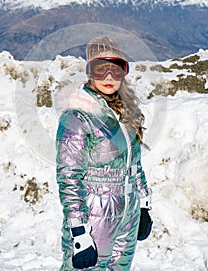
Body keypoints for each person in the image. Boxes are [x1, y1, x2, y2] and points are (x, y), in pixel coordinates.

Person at [56, 36, 152, 270]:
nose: (109, 77)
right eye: (100, 69)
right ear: (90, 71)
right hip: (95, 211)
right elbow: (69, 177)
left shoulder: (124, 114)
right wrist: (79, 230)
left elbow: (134, 164)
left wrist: (143, 204)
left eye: (116, 70)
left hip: (128, 211)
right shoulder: (78, 117)